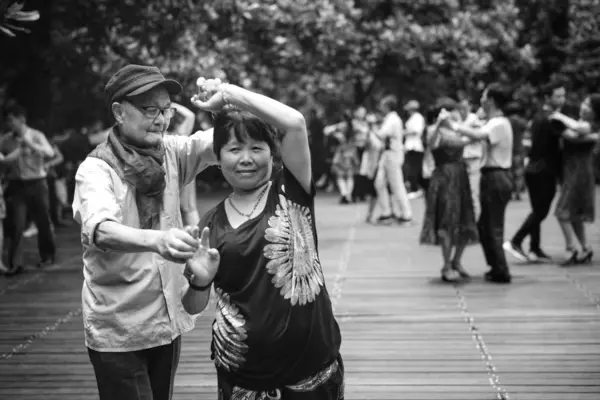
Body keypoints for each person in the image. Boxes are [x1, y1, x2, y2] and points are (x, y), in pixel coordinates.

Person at [182, 77, 343, 399]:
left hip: (313, 367)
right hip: (242, 372)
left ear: (273, 154)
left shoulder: (292, 189)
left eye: (257, 148)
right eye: (234, 149)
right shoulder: (209, 223)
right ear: (218, 156)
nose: (246, 158)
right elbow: (191, 305)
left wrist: (228, 94)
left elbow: (295, 122)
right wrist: (199, 282)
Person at [71, 64, 217, 400]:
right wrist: (158, 240)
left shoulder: (171, 151)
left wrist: (221, 109)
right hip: (119, 325)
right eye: (150, 110)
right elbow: (101, 230)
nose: (161, 119)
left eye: (166, 110)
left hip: (166, 319)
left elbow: (221, 145)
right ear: (119, 113)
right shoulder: (97, 168)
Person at [452, 83, 514, 283]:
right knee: (485, 225)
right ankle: (496, 267)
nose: (481, 100)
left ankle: (501, 270)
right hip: (493, 176)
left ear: (492, 101)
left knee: (492, 225)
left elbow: (479, 136)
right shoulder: (493, 121)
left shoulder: (499, 123)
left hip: (496, 176)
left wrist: (453, 125)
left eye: (484, 96)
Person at [503, 82, 566, 262]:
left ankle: (534, 248)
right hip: (543, 170)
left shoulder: (539, 116)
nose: (562, 99)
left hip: (534, 168)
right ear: (547, 98)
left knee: (537, 210)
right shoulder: (553, 119)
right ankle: (516, 241)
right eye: (558, 96)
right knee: (540, 211)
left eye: (563, 95)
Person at [420, 99, 478, 282]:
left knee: (465, 219)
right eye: (453, 111)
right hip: (444, 178)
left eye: (457, 110)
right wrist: (439, 123)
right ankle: (446, 265)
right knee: (446, 220)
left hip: (460, 176)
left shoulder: (458, 128)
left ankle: (456, 261)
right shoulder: (434, 130)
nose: (456, 113)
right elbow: (431, 144)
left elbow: (474, 138)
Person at [0, 102, 56, 275]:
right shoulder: (6, 140)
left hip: (37, 183)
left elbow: (50, 153)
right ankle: (16, 263)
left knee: (43, 221)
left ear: (22, 119)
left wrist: (30, 144)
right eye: (7, 121)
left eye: (12, 120)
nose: (10, 124)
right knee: (16, 224)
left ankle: (47, 256)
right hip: (17, 186)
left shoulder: (36, 135)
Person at [549, 94, 599, 265]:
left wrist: (559, 118)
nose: (583, 107)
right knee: (575, 214)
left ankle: (571, 248)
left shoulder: (590, 126)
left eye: (588, 106)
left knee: (562, 211)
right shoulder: (583, 125)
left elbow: (577, 131)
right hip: (574, 171)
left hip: (579, 172)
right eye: (584, 103)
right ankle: (585, 248)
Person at [373, 95, 412, 224]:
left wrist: (373, 127)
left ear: (388, 106)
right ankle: (386, 212)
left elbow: (382, 135)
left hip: (393, 154)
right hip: (387, 154)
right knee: (379, 183)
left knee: (396, 184)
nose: (381, 108)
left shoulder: (393, 119)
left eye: (383, 105)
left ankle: (406, 214)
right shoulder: (389, 118)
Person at [166, 102, 201, 226]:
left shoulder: (178, 136)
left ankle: (197, 239)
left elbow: (190, 115)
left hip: (182, 174)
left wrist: (170, 104)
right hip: (179, 174)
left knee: (188, 209)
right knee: (188, 209)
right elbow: (190, 115)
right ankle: (196, 238)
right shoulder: (179, 135)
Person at [403, 100, 426, 198]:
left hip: (415, 146)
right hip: (410, 146)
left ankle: (415, 188)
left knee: (414, 168)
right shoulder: (412, 118)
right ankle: (416, 187)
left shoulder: (418, 118)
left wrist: (404, 132)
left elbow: (416, 131)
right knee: (411, 168)